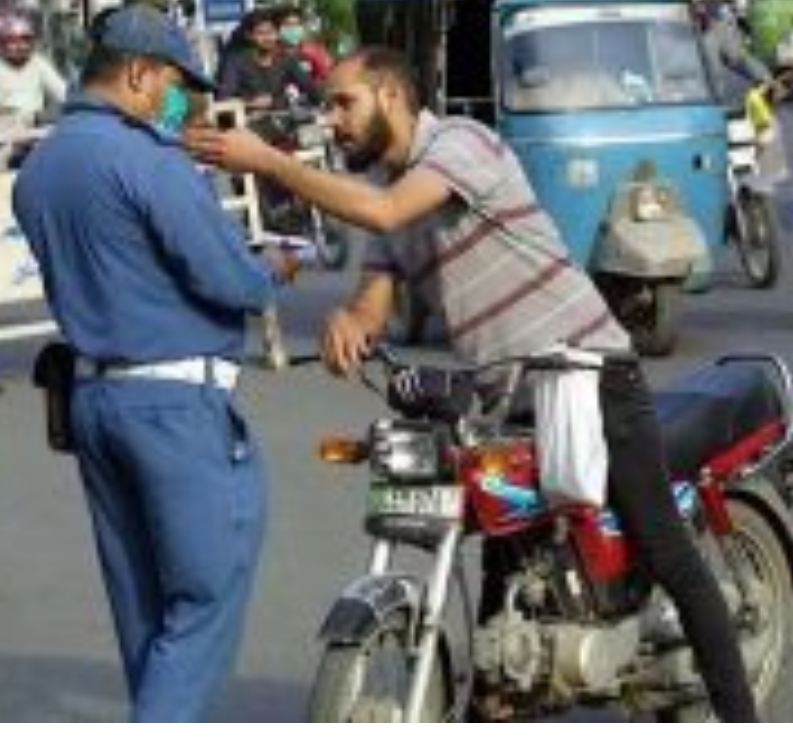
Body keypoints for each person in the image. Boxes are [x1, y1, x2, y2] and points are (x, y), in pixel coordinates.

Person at [188, 46, 760, 722]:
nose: (331, 118)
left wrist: (272, 163)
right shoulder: (399, 190)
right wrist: (350, 321)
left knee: (665, 546)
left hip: (586, 373)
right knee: (502, 543)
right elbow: (376, 289)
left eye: (344, 102)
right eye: (327, 106)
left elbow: (385, 213)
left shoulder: (462, 144)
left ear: (392, 97)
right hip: (504, 393)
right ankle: (495, 704)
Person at [13, 5, 297, 722]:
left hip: (95, 400)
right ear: (138, 72)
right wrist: (273, 266)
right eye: (174, 83)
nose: (180, 100)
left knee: (144, 611)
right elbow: (232, 278)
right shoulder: (148, 158)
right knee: (202, 602)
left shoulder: (41, 165)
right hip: (175, 408)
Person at [217, 7, 322, 112]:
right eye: (260, 33)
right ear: (249, 36)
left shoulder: (286, 59)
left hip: (281, 118)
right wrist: (250, 103)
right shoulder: (235, 61)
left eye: (271, 32)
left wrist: (326, 101)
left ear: (277, 34)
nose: (267, 38)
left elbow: (310, 88)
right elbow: (224, 99)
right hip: (247, 120)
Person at [0, 14, 67, 128]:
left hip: (36, 126)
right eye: (12, 41)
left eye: (25, 40)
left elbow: (63, 93)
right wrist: (15, 114)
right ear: (1, 44)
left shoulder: (38, 63)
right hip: (3, 130)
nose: (20, 46)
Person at [276, 4, 334, 86]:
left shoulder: (315, 52)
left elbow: (327, 77)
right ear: (278, 28)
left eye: (296, 25)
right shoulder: (272, 54)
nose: (292, 29)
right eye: (287, 25)